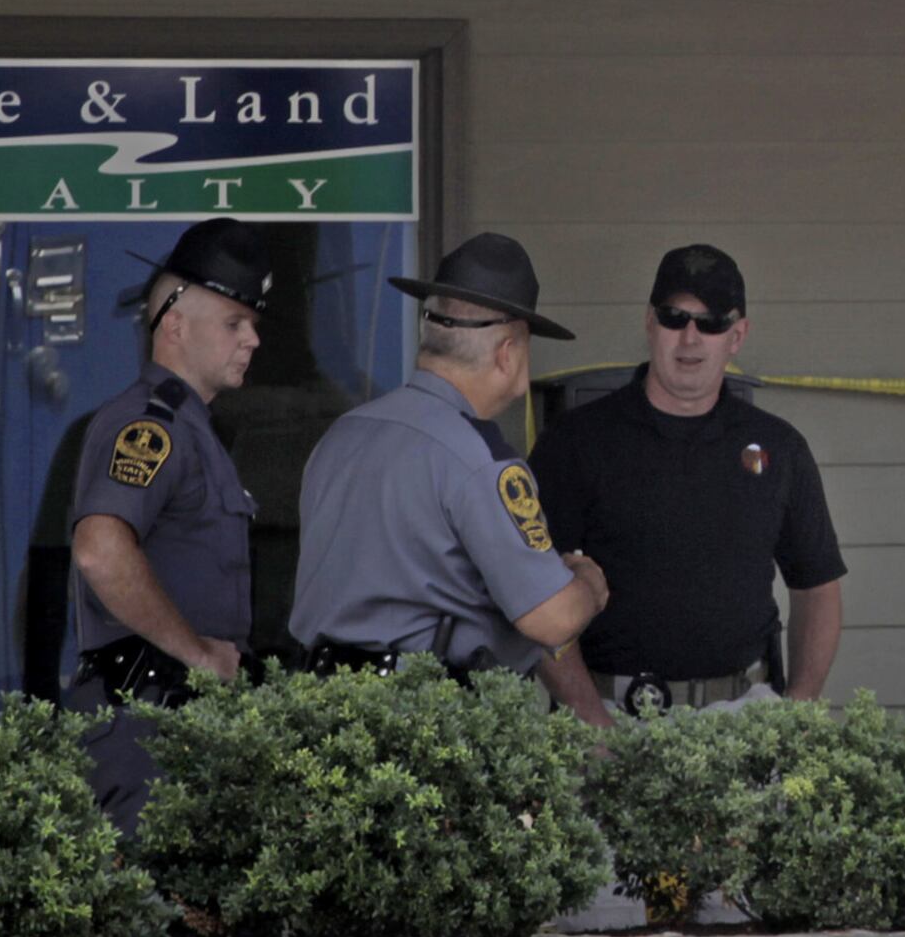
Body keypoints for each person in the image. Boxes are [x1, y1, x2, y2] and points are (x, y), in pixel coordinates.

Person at [290, 232, 613, 722]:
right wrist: (587, 582)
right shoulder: (478, 457)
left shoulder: (344, 433)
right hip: (421, 735)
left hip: (322, 720)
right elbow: (552, 619)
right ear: (507, 353)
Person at [533, 243, 846, 715]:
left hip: (741, 720)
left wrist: (799, 712)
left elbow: (818, 587)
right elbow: (531, 593)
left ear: (737, 335)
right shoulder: (576, 442)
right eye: (674, 318)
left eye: (712, 322)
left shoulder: (779, 448)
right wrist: (591, 723)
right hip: (609, 715)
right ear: (649, 322)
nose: (690, 338)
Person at [62, 216, 273, 827]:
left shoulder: (194, 429)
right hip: (145, 716)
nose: (252, 339)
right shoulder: (150, 427)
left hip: (178, 719)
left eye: (254, 324)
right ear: (174, 324)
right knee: (148, 916)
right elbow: (100, 550)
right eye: (235, 322)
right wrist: (198, 656)